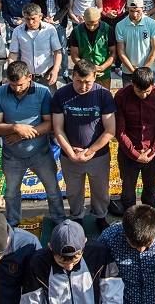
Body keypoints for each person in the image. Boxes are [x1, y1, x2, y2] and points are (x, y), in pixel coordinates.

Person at [0, 60, 66, 227]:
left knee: (53, 190)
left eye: (21, 84)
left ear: (30, 77)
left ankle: (59, 220)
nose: (17, 89)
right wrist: (16, 128)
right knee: (11, 193)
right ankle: (13, 223)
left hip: (41, 153)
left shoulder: (42, 92)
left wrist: (23, 135)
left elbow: (49, 124)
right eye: (13, 85)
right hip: (12, 156)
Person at [52, 60, 116, 231]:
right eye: (79, 81)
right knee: (73, 190)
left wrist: (91, 150)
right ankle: (77, 216)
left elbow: (110, 130)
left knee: (101, 189)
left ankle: (100, 215)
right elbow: (58, 128)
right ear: (72, 76)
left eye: (88, 81)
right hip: (70, 155)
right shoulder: (61, 94)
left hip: (98, 154)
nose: (83, 86)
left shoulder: (103, 95)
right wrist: (70, 152)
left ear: (95, 76)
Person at [21, 219, 123, 304]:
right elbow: (31, 300)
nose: (69, 267)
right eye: (62, 263)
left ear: (85, 244)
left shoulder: (99, 255)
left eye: (75, 261)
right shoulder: (37, 263)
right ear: (50, 248)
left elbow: (113, 296)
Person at [97, 204, 155, 304]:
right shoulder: (109, 239)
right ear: (125, 233)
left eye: (147, 245)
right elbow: (100, 277)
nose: (141, 250)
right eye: (134, 245)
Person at [113, 67, 155, 213]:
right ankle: (129, 215)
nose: (143, 95)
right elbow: (119, 130)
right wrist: (135, 154)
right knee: (128, 187)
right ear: (132, 83)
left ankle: (148, 215)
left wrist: (153, 149)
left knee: (150, 187)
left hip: (152, 153)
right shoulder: (121, 96)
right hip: (128, 152)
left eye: (147, 92)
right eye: (139, 91)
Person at [8, 3, 62, 95]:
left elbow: (57, 51)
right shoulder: (17, 31)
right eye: (27, 19)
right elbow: (13, 53)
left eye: (33, 19)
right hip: (26, 77)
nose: (31, 22)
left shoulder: (50, 29)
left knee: (49, 103)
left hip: (47, 75)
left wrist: (55, 70)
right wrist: (11, 73)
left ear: (40, 16)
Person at [32, 0, 71, 79]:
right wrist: (43, 18)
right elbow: (35, 3)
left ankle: (65, 73)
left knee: (62, 48)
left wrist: (54, 19)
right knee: (45, 47)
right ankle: (48, 71)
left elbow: (66, 5)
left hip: (58, 21)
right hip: (43, 20)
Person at [115, 0, 155, 87]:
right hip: (128, 70)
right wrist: (133, 70)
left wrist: (144, 68)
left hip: (148, 70)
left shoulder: (151, 23)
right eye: (131, 11)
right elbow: (120, 51)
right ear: (127, 8)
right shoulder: (120, 25)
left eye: (138, 11)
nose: (134, 14)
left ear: (143, 8)